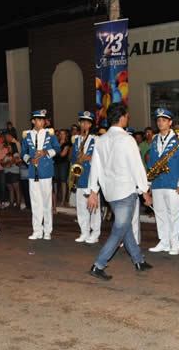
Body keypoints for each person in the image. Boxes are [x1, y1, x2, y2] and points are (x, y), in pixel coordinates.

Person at [86, 103, 153, 280]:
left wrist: (93, 191)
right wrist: (145, 190)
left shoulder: (100, 140)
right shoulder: (127, 139)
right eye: (127, 116)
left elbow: (95, 167)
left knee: (125, 227)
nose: (128, 118)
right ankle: (98, 265)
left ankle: (138, 260)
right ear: (122, 117)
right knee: (119, 229)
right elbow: (137, 166)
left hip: (110, 192)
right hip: (125, 191)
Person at [147, 108, 179, 256]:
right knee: (160, 213)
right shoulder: (155, 139)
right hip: (158, 182)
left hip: (173, 182)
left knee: (174, 214)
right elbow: (151, 162)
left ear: (170, 122)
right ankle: (164, 241)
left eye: (164, 120)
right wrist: (149, 183)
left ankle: (175, 243)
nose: (160, 123)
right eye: (158, 120)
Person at [21, 109, 60, 240]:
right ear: (33, 121)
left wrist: (46, 152)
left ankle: (47, 230)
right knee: (35, 202)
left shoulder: (50, 134)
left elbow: (57, 148)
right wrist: (29, 160)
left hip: (46, 171)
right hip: (33, 172)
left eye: (43, 120)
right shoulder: (27, 135)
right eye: (39, 120)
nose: (42, 122)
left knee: (47, 202)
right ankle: (37, 230)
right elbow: (23, 152)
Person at [71, 111, 100, 244]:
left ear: (90, 125)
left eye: (87, 123)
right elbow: (72, 158)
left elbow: (101, 158)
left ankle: (95, 233)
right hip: (80, 176)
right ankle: (84, 231)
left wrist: (88, 157)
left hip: (91, 176)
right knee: (81, 206)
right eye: (82, 122)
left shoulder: (96, 139)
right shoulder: (76, 140)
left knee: (93, 207)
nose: (84, 125)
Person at [53, 129, 71, 209]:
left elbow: (63, 154)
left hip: (63, 164)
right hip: (55, 163)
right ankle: (55, 199)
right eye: (60, 133)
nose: (61, 135)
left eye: (63, 134)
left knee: (63, 181)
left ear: (66, 135)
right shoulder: (56, 143)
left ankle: (63, 200)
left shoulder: (67, 143)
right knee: (55, 181)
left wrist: (54, 152)